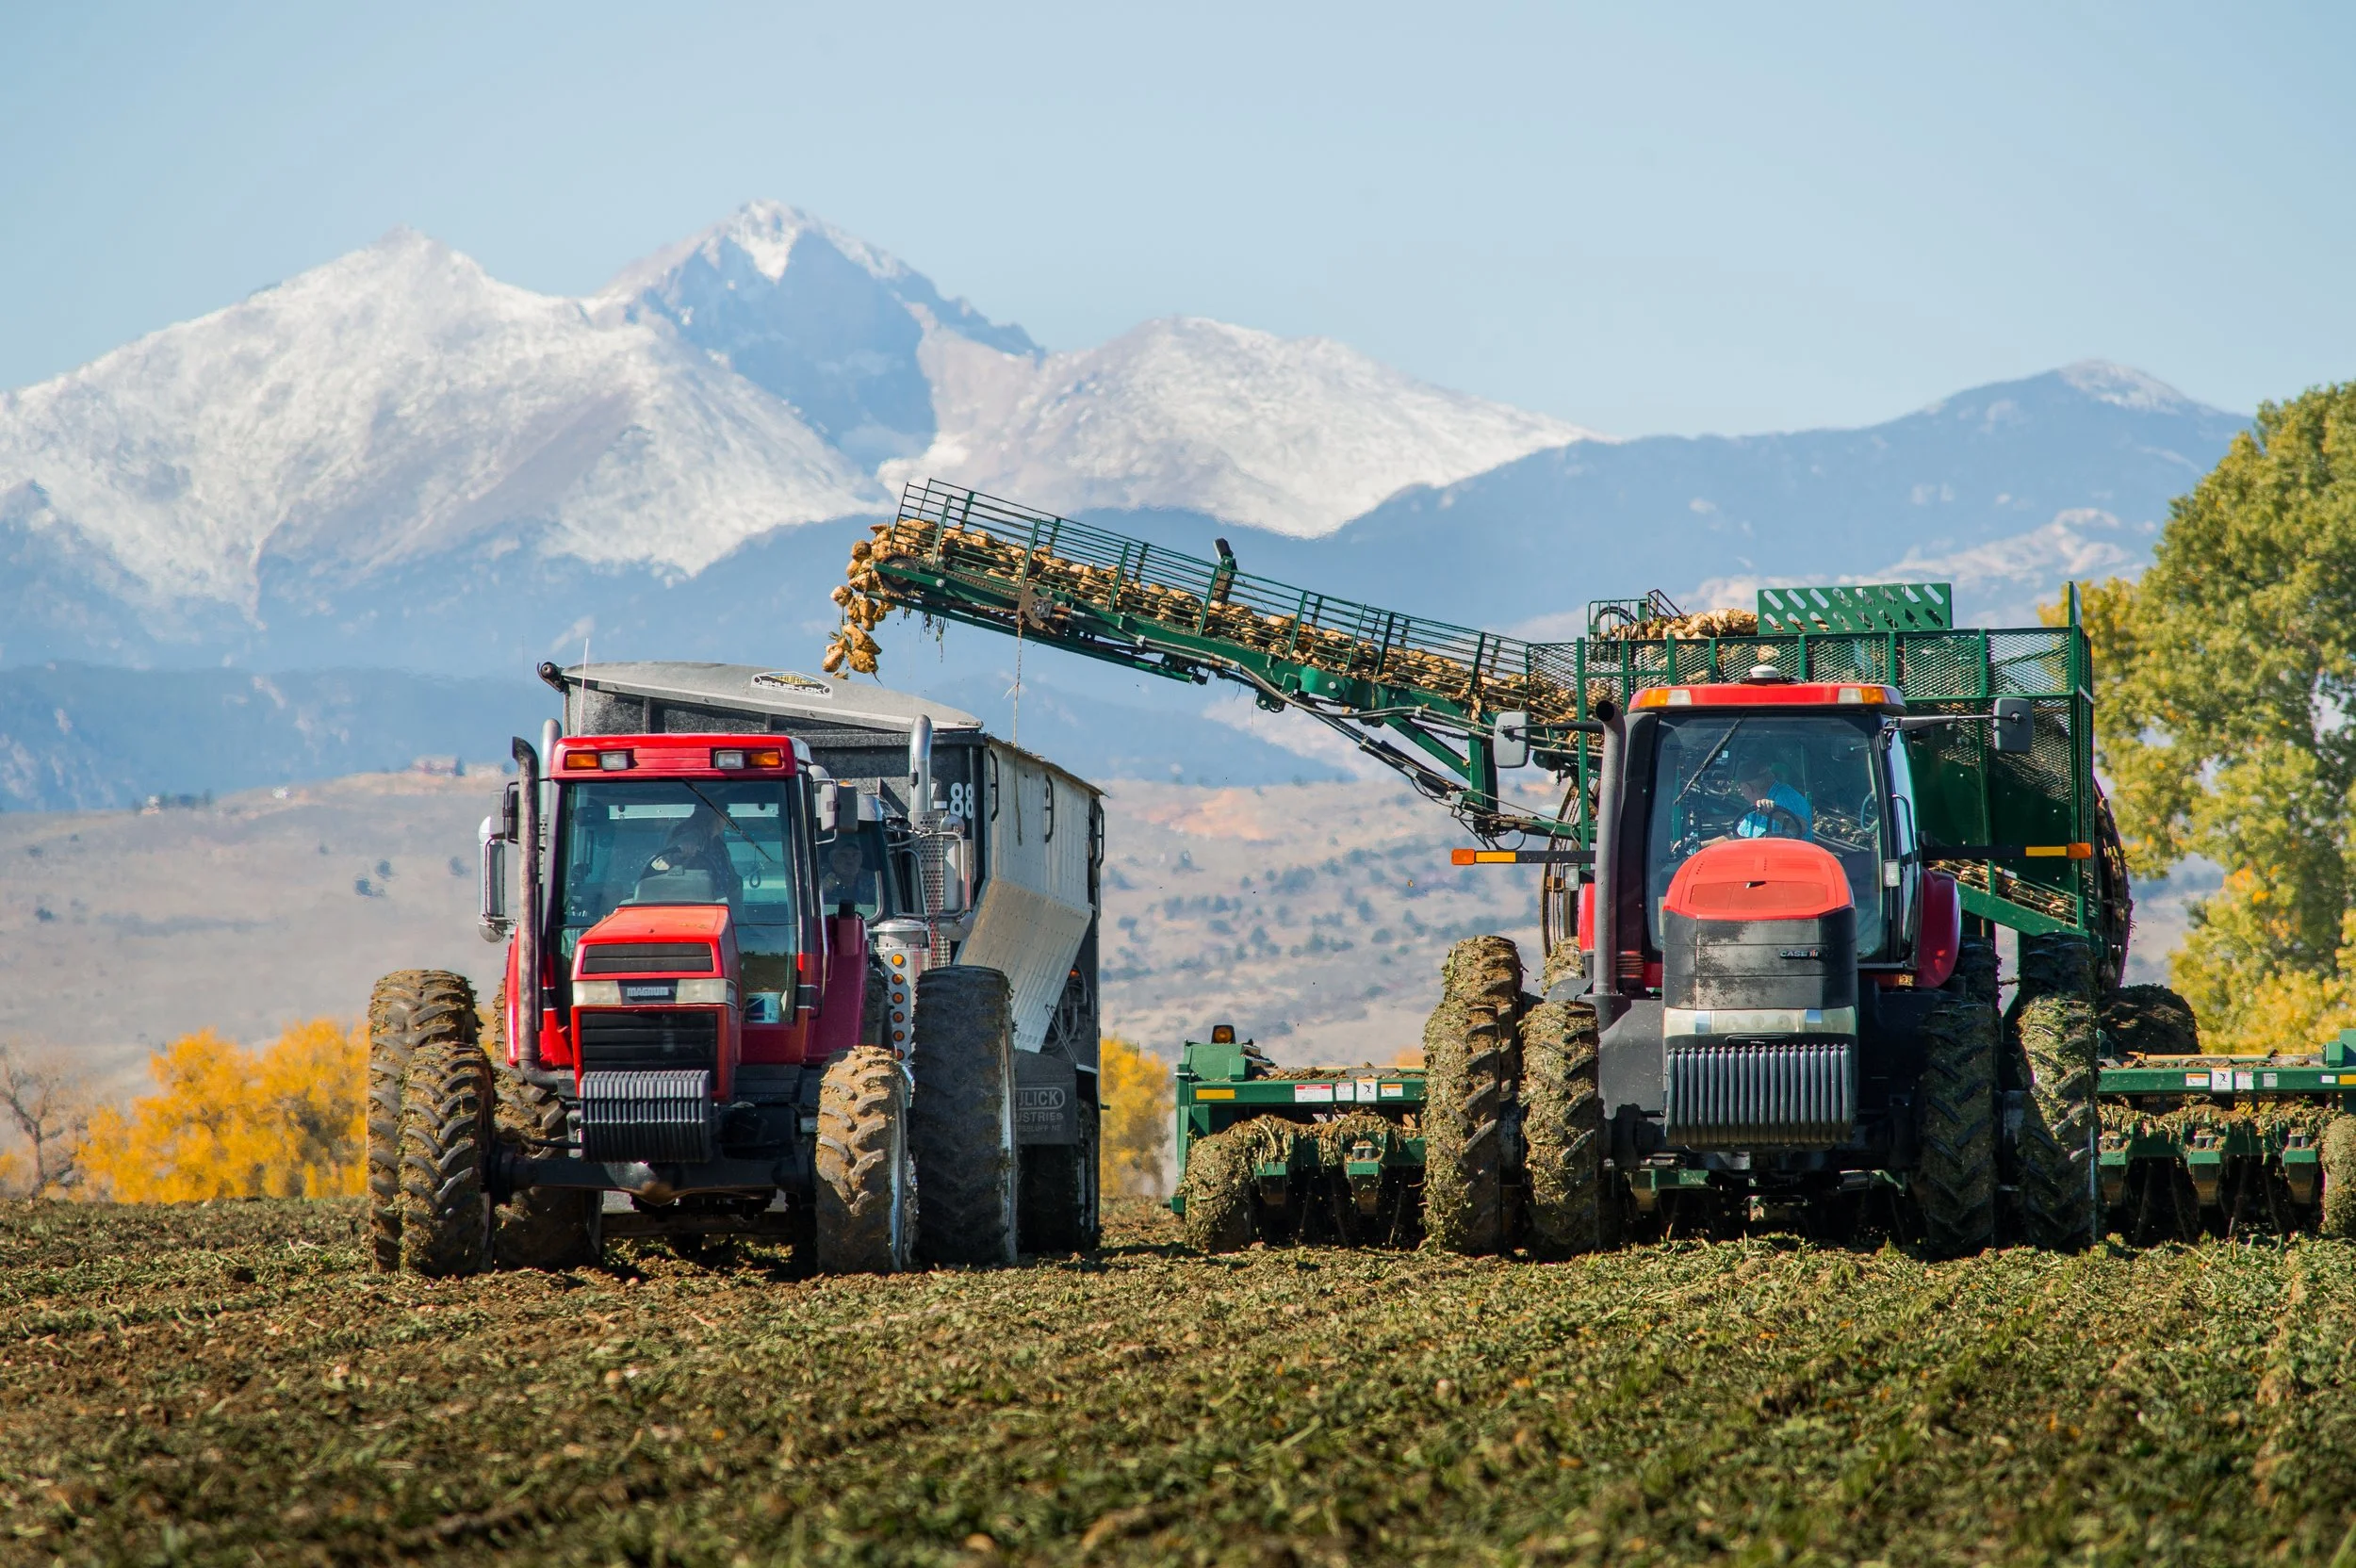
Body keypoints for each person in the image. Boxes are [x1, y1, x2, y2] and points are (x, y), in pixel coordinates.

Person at [639, 808, 744, 903]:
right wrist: (681, 853)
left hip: (721, 903)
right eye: (726, 815)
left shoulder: (718, 845)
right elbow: (664, 862)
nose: (727, 820)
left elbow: (731, 879)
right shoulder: (690, 837)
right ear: (716, 816)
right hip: (692, 903)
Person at [1731, 754, 1813, 840]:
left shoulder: (1786, 798)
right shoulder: (1756, 807)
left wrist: (1775, 813)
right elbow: (1738, 837)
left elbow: (1802, 827)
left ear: (1748, 788)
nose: (1740, 791)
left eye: (1740, 787)